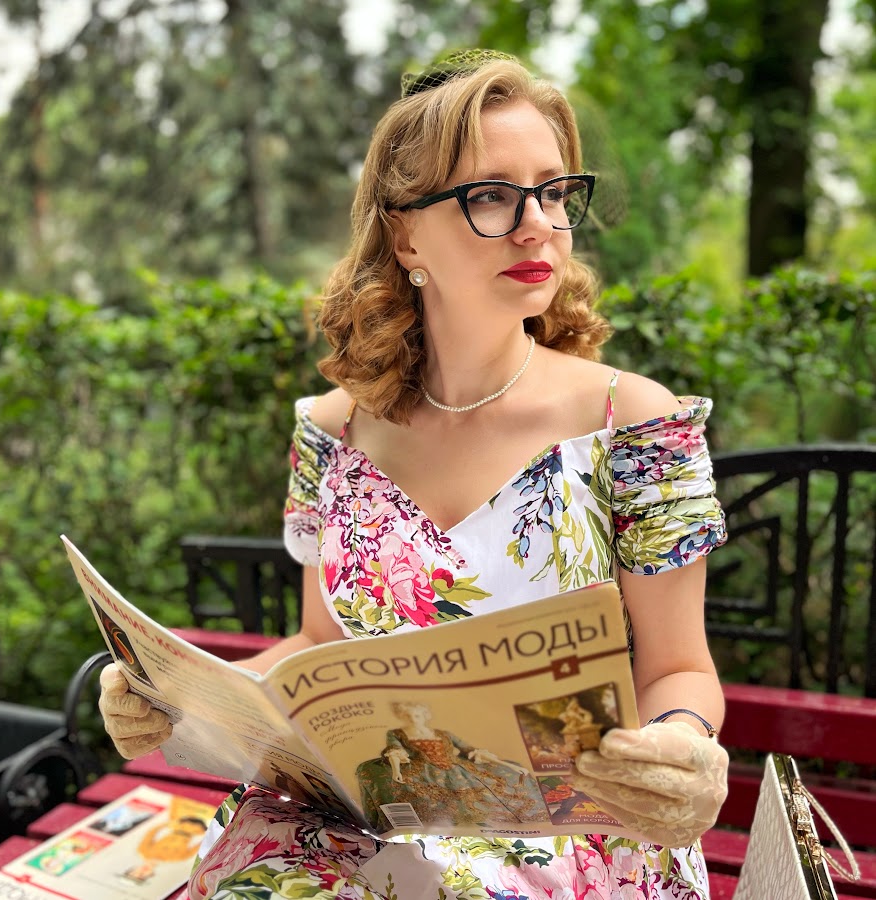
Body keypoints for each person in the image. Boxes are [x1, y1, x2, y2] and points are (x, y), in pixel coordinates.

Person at [99, 49, 730, 900]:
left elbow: (679, 668)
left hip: (573, 833)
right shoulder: (332, 431)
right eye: (491, 196)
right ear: (404, 234)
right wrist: (179, 702)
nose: (537, 225)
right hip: (369, 816)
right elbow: (319, 647)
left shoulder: (634, 422)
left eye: (552, 192)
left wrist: (683, 742)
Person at [356, 700, 545, 832]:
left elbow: (470, 749)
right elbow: (395, 751)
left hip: (457, 767)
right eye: (409, 715)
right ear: (403, 715)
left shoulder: (443, 733)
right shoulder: (396, 733)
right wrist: (397, 771)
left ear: (425, 715)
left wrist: (506, 765)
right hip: (422, 769)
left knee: (505, 776)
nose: (414, 719)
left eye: (418, 715)